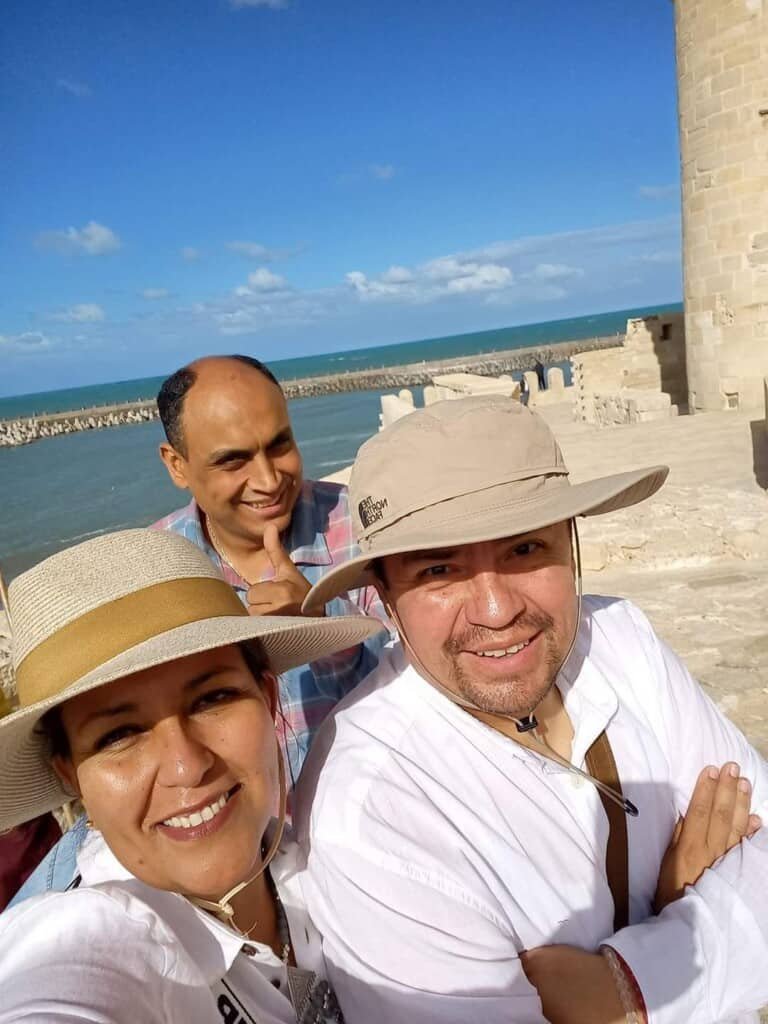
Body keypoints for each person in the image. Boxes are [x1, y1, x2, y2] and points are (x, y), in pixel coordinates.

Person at [296, 395, 768, 1024]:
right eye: (439, 569)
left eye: (523, 550)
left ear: (571, 543)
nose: (496, 612)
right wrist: (701, 916)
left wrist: (621, 989)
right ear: (384, 596)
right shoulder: (371, 813)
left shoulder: (621, 641)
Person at [7, 353, 392, 905]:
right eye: (234, 460)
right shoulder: (157, 573)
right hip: (220, 856)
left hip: (369, 838)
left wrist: (324, 633)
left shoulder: (368, 530)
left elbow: (430, 690)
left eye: (280, 444)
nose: (269, 480)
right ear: (177, 465)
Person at [0, 528, 382, 1023]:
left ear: (268, 700)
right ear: (72, 777)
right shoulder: (90, 939)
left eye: (212, 699)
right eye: (119, 735)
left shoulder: (322, 856)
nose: (186, 765)